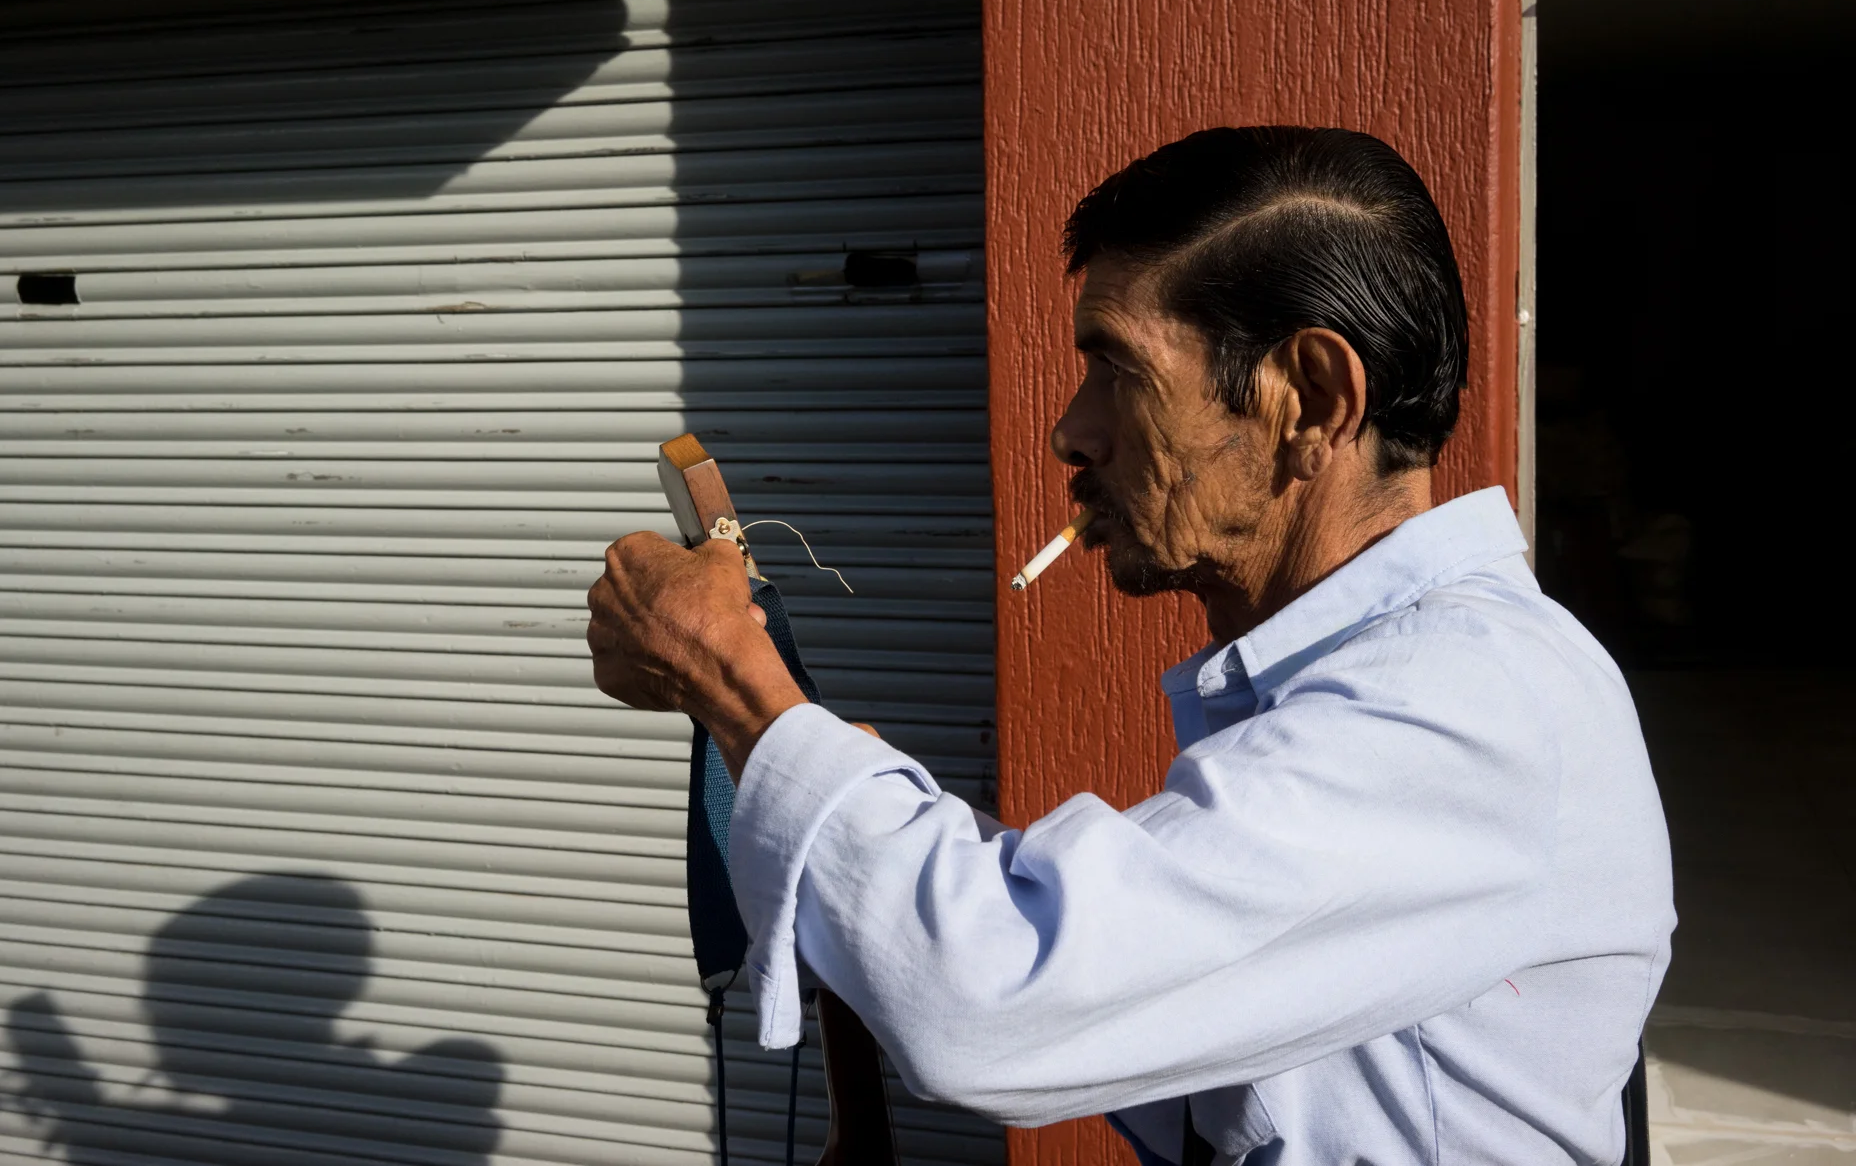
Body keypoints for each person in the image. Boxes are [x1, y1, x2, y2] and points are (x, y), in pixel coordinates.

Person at [586, 126, 1674, 1165]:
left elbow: (990, 998)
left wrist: (738, 683)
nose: (1071, 429)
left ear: (1312, 396)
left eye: (1116, 368)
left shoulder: (1464, 705)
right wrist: (883, 838)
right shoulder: (1385, 687)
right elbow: (1153, 985)